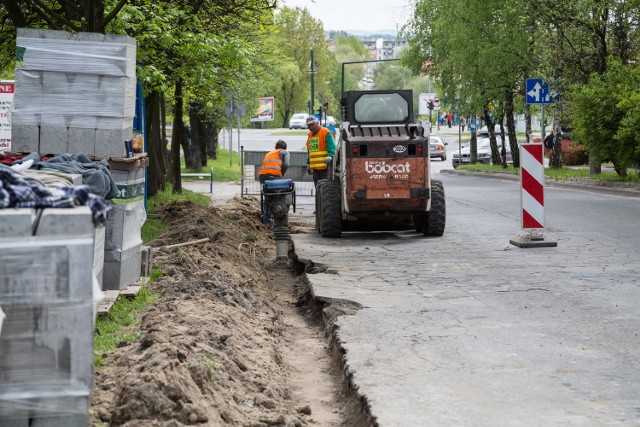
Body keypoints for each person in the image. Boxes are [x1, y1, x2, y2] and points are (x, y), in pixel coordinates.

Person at [259, 139, 289, 225]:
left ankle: (267, 220)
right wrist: (282, 173)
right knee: (279, 196)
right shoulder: (285, 152)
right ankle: (279, 217)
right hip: (275, 176)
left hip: (263, 176)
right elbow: (286, 164)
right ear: (285, 148)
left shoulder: (269, 153)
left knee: (267, 198)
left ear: (275, 147)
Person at [305, 116, 336, 187]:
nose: (311, 127)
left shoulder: (326, 132)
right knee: (318, 188)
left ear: (317, 123)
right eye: (309, 126)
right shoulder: (310, 135)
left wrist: (330, 156)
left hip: (325, 167)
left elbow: (332, 147)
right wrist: (309, 163)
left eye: (312, 124)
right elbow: (310, 150)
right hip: (315, 168)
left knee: (325, 187)